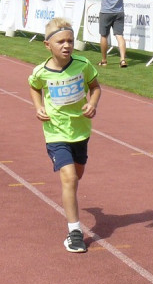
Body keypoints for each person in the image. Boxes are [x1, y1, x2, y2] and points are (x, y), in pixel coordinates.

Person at [28, 17, 101, 253]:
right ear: (47, 45)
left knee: (76, 176)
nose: (67, 45)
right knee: (69, 177)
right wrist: (38, 106)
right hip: (55, 131)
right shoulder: (41, 72)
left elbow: (95, 87)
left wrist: (92, 103)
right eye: (61, 41)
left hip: (80, 131)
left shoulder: (83, 64)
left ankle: (71, 201)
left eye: (70, 40)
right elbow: (34, 86)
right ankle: (75, 232)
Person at [92, 0, 127, 67]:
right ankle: (122, 59)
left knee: (104, 36)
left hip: (106, 11)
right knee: (119, 35)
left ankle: (104, 60)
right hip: (119, 11)